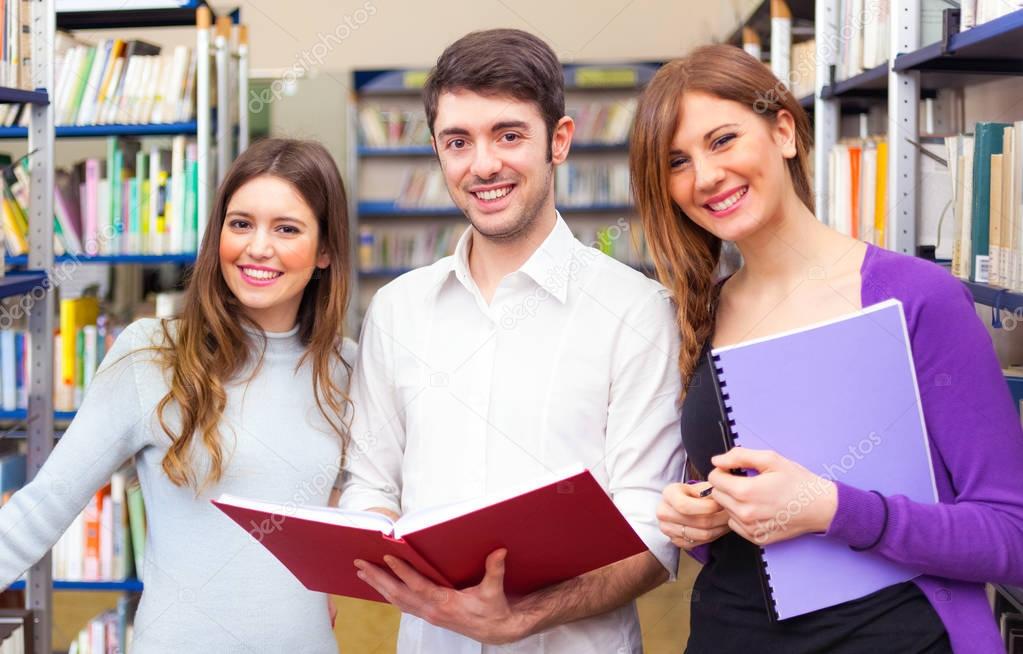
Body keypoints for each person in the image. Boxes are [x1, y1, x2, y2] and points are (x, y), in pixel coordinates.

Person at [632, 44, 1023, 653]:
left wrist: (832, 507)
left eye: (723, 140)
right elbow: (743, 527)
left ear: (784, 130)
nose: (704, 177)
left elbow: (1011, 536)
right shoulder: (698, 315)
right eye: (677, 161)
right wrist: (699, 520)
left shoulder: (918, 299)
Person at [341, 28, 683, 653]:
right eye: (458, 141)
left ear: (559, 141)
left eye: (508, 134)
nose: (484, 165)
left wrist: (518, 620)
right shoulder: (396, 311)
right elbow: (371, 484)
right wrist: (380, 540)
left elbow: (652, 535)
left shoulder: (637, 311)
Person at [0, 138, 355, 652]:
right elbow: (45, 503)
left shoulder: (345, 367)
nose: (258, 246)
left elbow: (354, 513)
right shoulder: (153, 354)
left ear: (324, 250)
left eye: (287, 228)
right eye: (240, 223)